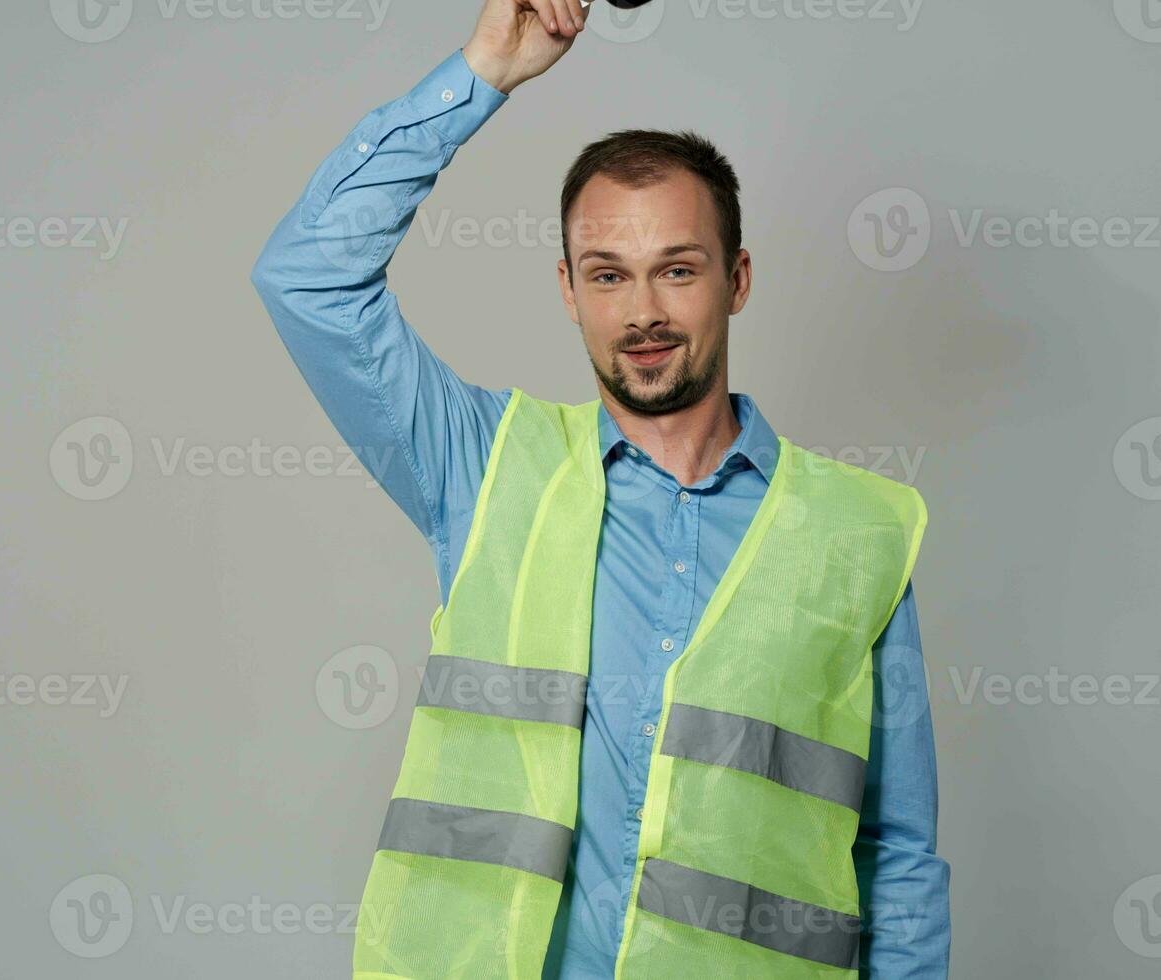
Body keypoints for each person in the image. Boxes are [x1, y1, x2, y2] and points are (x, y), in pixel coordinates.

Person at [250, 0, 950, 975]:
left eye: (677, 269)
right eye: (609, 276)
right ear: (568, 289)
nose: (645, 312)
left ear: (738, 278)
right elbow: (306, 276)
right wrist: (484, 70)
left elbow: (898, 856)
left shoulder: (861, 532)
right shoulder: (485, 468)